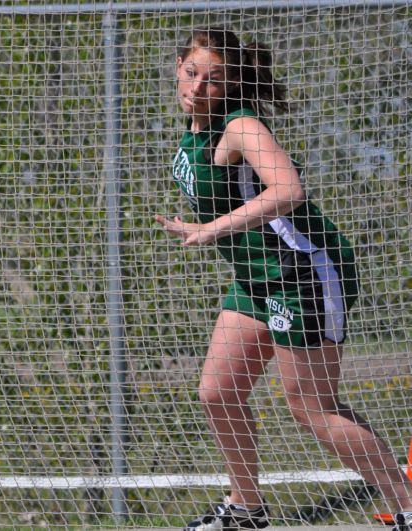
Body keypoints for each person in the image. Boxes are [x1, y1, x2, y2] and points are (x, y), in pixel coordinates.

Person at [154, 27, 412, 531]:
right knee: (218, 393)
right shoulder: (195, 129)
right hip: (257, 276)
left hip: (302, 272)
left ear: (230, 85)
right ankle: (246, 509)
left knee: (311, 406)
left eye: (214, 79)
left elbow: (289, 190)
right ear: (178, 66)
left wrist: (213, 229)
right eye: (192, 72)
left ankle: (406, 505)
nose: (198, 86)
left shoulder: (241, 126)